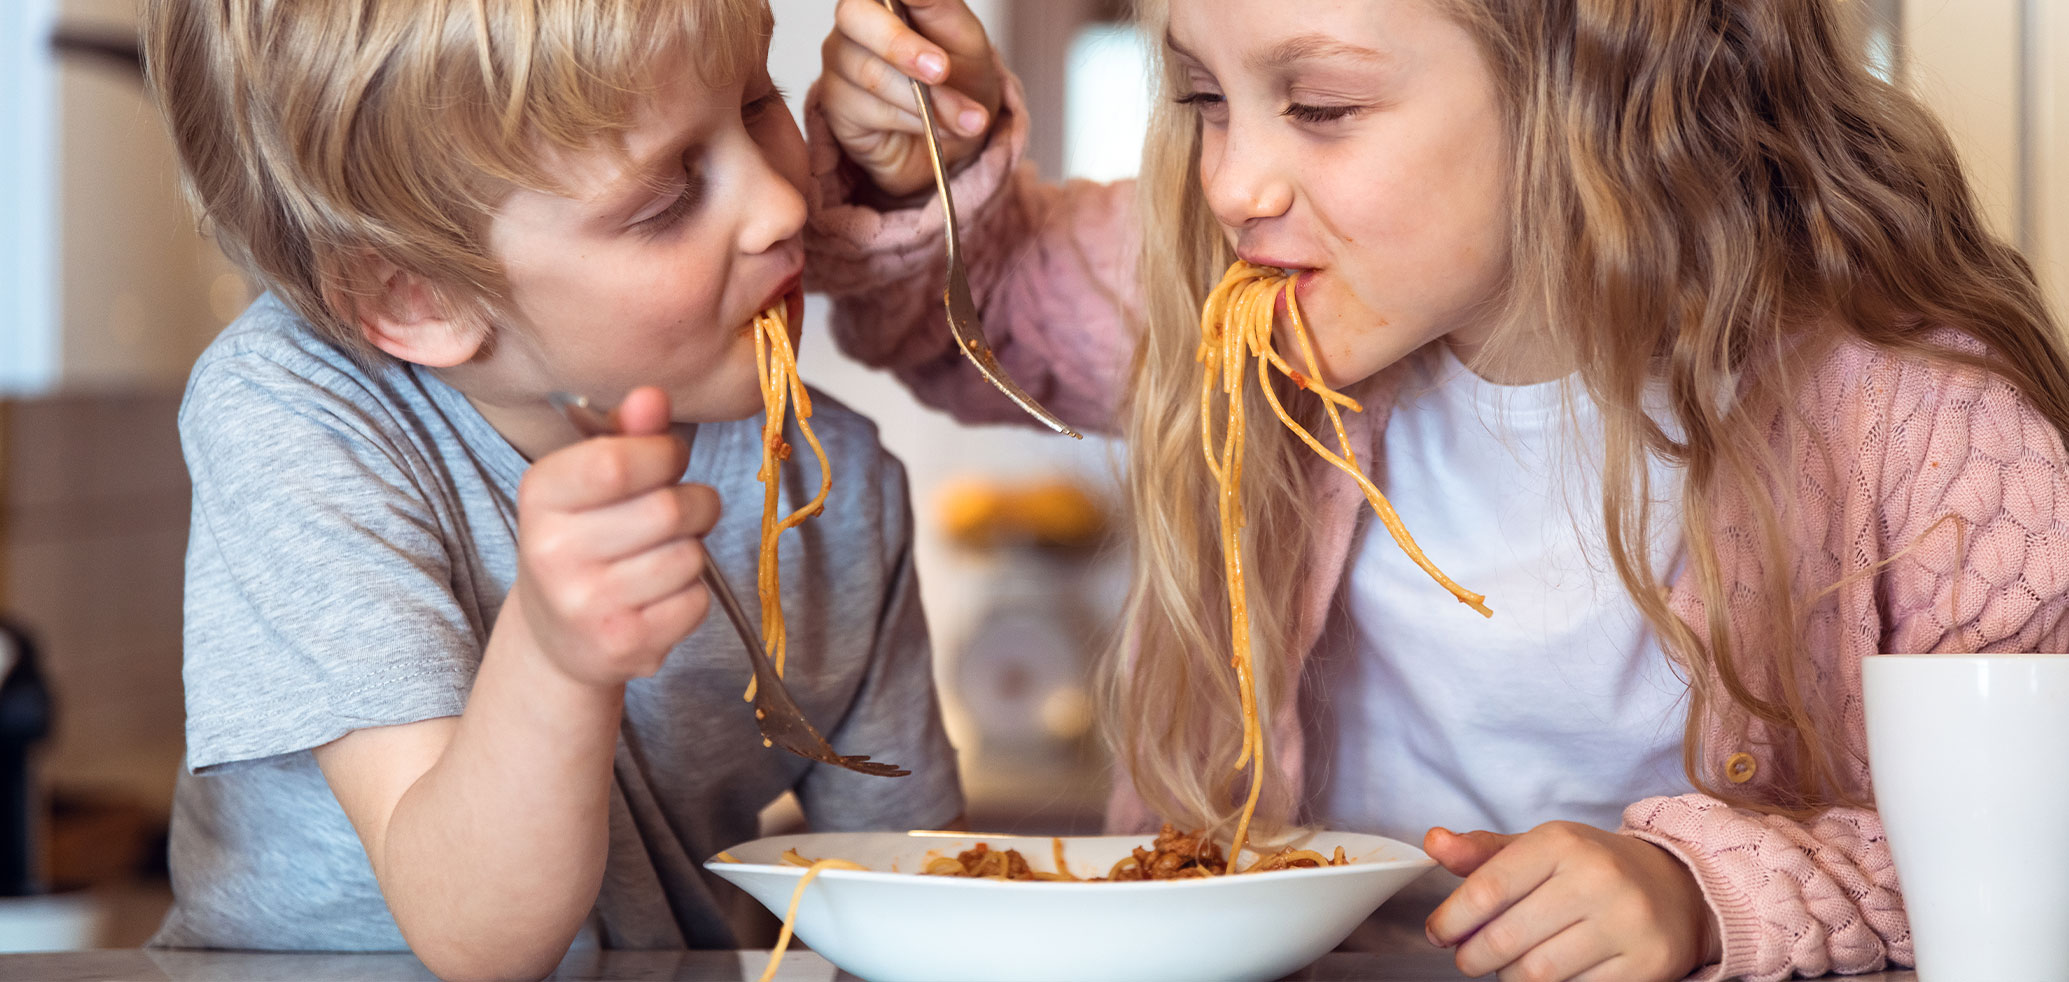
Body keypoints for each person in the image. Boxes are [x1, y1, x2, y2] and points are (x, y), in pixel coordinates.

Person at [807, 0, 2069, 979]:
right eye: (1201, 97)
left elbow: (2034, 861)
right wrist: (922, 156)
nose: (1233, 183)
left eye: (1317, 105)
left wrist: (1701, 894)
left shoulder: (1920, 425)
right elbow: (947, 321)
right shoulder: (1216, 283)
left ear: (1594, 87)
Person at [139, 2, 962, 978]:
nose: (781, 206)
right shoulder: (297, 414)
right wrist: (557, 658)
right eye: (665, 197)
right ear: (417, 297)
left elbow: (918, 901)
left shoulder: (840, 488)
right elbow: (475, 938)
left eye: (755, 104)